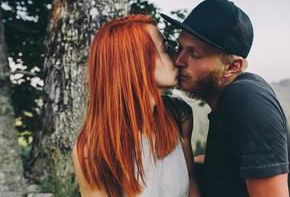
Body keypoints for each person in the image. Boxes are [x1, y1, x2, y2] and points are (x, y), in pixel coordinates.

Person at [161, 0, 290, 197]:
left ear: (232, 66)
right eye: (180, 47)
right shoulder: (229, 103)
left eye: (194, 53)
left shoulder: (246, 98)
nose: (179, 60)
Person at [72, 14, 200, 197]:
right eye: (165, 49)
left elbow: (191, 181)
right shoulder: (92, 149)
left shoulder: (179, 115)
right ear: (135, 63)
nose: (177, 57)